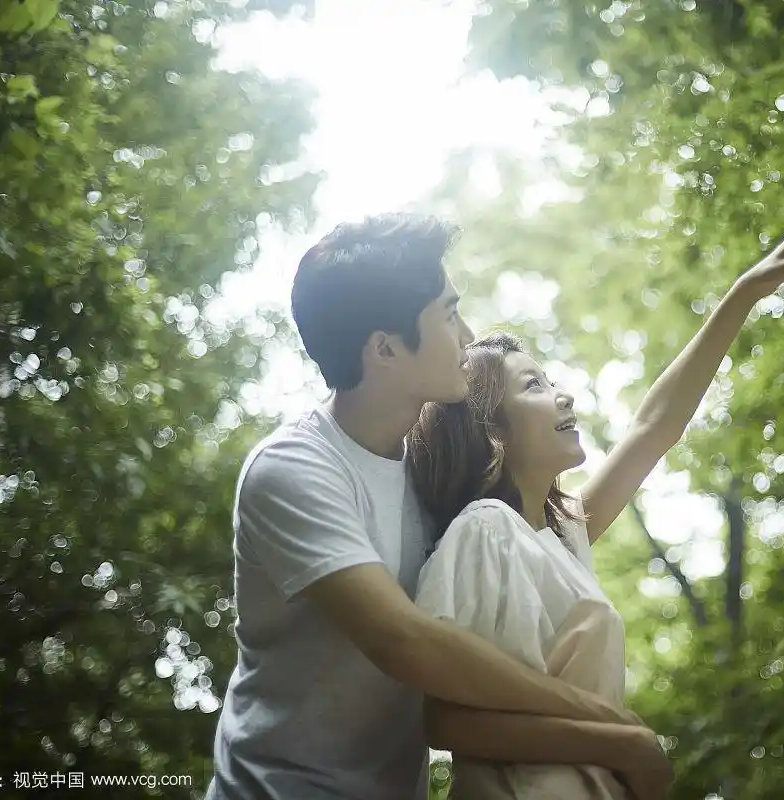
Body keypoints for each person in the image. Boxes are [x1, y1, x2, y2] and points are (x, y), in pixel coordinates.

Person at [205, 215, 673, 800]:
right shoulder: (296, 469)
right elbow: (405, 641)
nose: (467, 334)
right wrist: (614, 731)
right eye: (449, 315)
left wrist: (748, 290)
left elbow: (647, 437)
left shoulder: (438, 484)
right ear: (385, 348)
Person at [407, 191, 784, 798]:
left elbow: (653, 427)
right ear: (491, 428)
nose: (563, 395)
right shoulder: (484, 530)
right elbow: (443, 720)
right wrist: (619, 742)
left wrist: (746, 292)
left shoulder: (560, 537)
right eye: (533, 385)